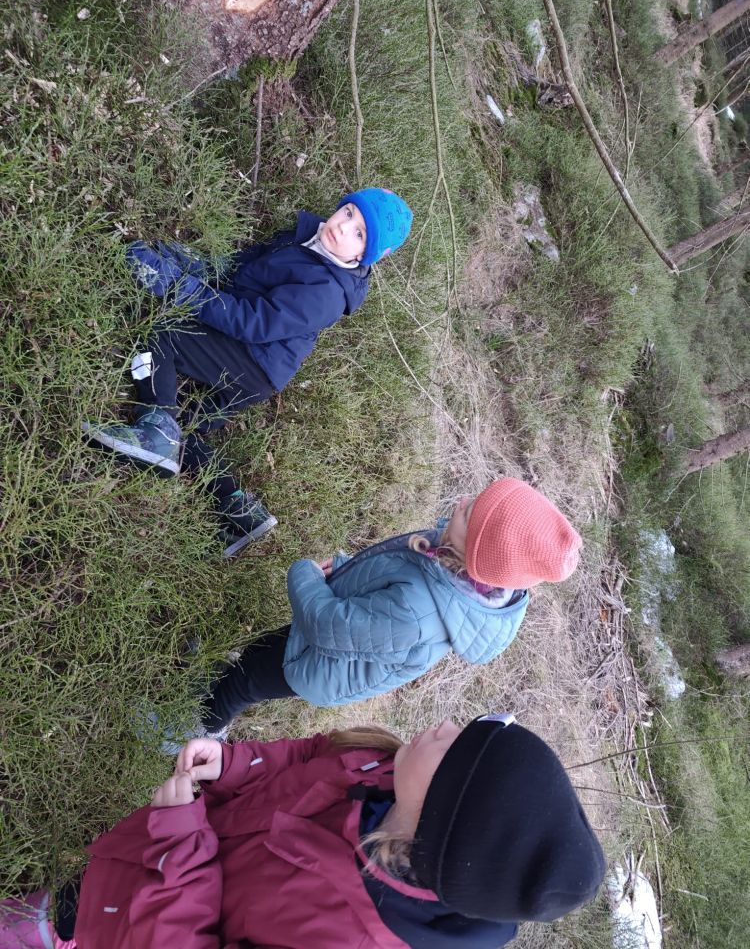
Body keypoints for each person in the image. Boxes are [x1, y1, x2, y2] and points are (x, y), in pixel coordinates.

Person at [0, 714, 606, 948]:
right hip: (141, 869)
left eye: (456, 747)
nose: (446, 725)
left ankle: (51, 933)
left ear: (446, 822)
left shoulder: (346, 937)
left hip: (143, 919)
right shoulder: (381, 769)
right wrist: (235, 764)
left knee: (66, 927)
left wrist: (180, 849)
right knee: (74, 900)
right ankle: (56, 915)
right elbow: (310, 755)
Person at [81, 189, 413, 556]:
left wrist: (181, 287)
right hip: (257, 365)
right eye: (349, 212)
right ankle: (238, 508)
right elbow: (246, 268)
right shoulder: (310, 235)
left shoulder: (328, 292)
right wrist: (201, 268)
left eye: (360, 234)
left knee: (160, 329)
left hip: (253, 359)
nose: (344, 227)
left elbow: (251, 322)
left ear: (365, 255)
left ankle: (155, 433)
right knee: (185, 423)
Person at [196, 477, 582, 737]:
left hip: (317, 665)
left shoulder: (418, 614)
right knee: (261, 651)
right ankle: (224, 680)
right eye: (473, 500)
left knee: (245, 684)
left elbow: (327, 625)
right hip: (328, 639)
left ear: (480, 556)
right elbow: (390, 573)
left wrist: (305, 574)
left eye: (468, 513)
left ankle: (195, 729)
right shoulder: (451, 557)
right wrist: (346, 569)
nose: (462, 501)